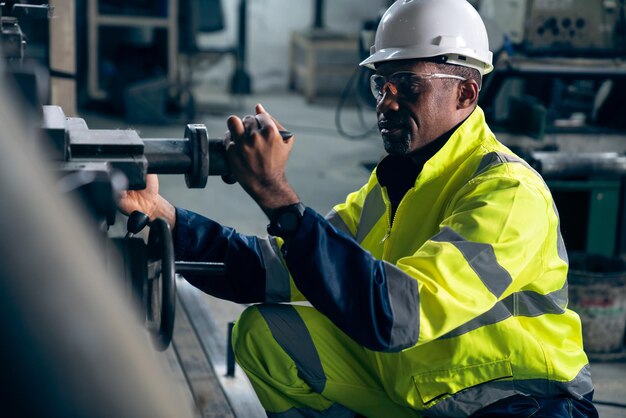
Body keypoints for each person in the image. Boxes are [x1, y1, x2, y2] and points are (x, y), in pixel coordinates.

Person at [120, 0, 598, 416]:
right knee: (268, 338)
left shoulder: (507, 194)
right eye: (381, 85)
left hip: (521, 402)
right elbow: (280, 270)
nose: (386, 103)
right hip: (422, 392)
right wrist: (169, 218)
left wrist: (275, 193)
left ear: (466, 94)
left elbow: (393, 316)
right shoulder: (393, 182)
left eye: (407, 85)